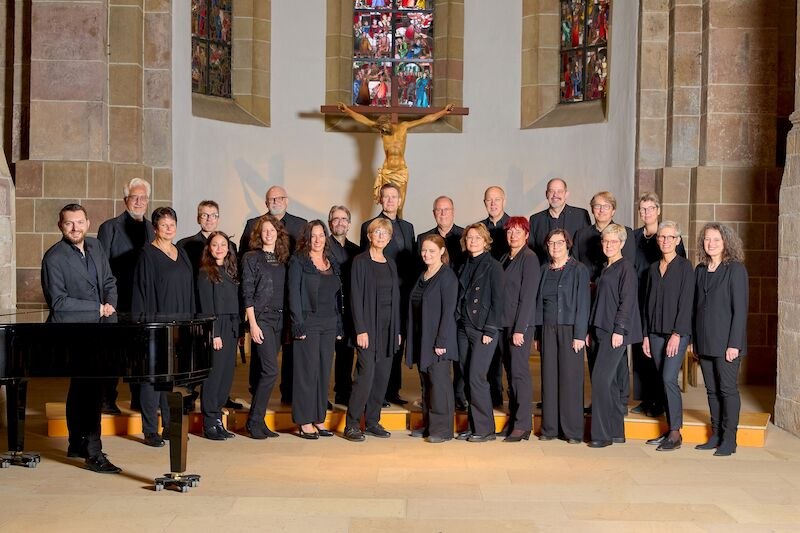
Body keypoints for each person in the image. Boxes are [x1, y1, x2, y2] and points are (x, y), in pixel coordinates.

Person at [41, 204, 121, 473]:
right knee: (90, 391)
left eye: (79, 222)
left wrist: (110, 304)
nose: (75, 228)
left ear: (88, 223)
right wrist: (97, 308)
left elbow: (109, 281)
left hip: (100, 329)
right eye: (69, 223)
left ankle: (76, 443)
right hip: (73, 333)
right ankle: (94, 452)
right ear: (60, 226)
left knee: (82, 388)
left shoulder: (96, 246)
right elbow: (58, 303)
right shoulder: (54, 258)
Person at [131, 207, 195, 448]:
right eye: (164, 224)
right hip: (156, 326)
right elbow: (142, 293)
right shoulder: (147, 254)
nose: (169, 228)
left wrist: (189, 323)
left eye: (172, 224)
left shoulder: (181, 252)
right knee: (152, 380)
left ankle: (169, 426)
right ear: (155, 228)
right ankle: (150, 430)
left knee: (169, 380)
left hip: (179, 325)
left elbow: (189, 290)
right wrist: (146, 327)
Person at [239, 186, 307, 405]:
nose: (275, 201)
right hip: (262, 307)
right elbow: (245, 270)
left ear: (286, 200)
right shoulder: (253, 226)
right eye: (271, 199)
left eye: (279, 198)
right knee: (264, 362)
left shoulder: (300, 225)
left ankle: (288, 393)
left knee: (288, 354)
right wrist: (250, 317)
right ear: (266, 203)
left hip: (286, 304)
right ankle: (256, 396)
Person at [97, 177, 155, 414]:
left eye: (143, 198)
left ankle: (138, 399)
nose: (139, 202)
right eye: (134, 197)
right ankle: (106, 399)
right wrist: (107, 300)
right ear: (125, 200)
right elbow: (101, 268)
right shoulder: (109, 227)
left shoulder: (151, 228)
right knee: (113, 352)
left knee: (140, 352)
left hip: (142, 301)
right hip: (117, 300)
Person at [574, 191, 635, 414]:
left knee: (616, 353)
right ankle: (600, 399)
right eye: (597, 206)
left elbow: (627, 267)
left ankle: (620, 399)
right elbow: (577, 265)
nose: (601, 210)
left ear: (613, 210)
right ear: (592, 209)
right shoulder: (582, 234)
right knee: (594, 351)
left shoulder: (625, 233)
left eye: (606, 206)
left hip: (613, 296)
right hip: (591, 296)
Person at [177, 200, 241, 412]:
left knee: (223, 367)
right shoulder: (186, 245)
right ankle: (195, 400)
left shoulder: (230, 252)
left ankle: (218, 404)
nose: (209, 219)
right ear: (198, 218)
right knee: (203, 364)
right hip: (203, 312)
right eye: (204, 215)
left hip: (226, 315)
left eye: (213, 215)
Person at [343, 218, 402, 442]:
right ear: (369, 236)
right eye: (377, 232)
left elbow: (396, 299)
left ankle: (372, 421)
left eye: (385, 233)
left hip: (388, 328)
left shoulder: (391, 263)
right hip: (367, 327)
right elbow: (355, 297)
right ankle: (351, 424)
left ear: (389, 238)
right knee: (365, 376)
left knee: (382, 376)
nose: (381, 236)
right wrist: (360, 329)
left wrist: (397, 330)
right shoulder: (360, 262)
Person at [692, 222, 748, 457]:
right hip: (704, 341)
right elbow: (696, 309)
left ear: (725, 242)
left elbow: (740, 310)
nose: (711, 243)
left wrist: (734, 344)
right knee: (712, 391)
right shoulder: (700, 270)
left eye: (716, 239)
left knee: (727, 390)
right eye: (707, 239)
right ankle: (715, 435)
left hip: (726, 344)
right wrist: (695, 341)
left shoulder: (735, 269)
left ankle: (729, 439)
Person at [337, 101, 454, 211]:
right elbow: (364, 120)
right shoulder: (382, 129)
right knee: (387, 206)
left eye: (383, 129)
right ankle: (386, 225)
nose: (382, 132)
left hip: (401, 172)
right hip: (387, 172)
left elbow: (426, 119)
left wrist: (443, 112)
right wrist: (347, 110)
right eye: (381, 130)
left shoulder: (403, 127)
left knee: (399, 207)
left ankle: (399, 225)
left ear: (389, 122)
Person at [360, 183, 415, 406]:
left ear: (400, 201)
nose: (391, 201)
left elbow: (412, 261)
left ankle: (392, 390)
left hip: (402, 295)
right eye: (386, 197)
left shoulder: (408, 227)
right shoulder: (369, 226)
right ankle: (376, 393)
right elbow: (366, 263)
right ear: (380, 200)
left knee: (396, 342)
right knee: (377, 345)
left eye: (394, 197)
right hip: (380, 294)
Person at [632, 192, 686, 417]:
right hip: (641, 296)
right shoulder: (635, 236)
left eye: (651, 208)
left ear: (658, 210)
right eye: (643, 209)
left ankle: (660, 401)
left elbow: (680, 274)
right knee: (643, 352)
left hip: (664, 301)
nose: (646, 213)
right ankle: (647, 399)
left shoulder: (668, 236)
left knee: (662, 361)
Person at [587, 224, 642, 448]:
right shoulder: (605, 268)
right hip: (599, 329)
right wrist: (589, 330)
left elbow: (627, 301)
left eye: (613, 241)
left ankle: (602, 435)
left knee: (600, 380)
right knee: (610, 384)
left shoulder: (626, 268)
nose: (608, 245)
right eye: (605, 241)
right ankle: (617, 431)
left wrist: (619, 330)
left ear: (622, 243)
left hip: (613, 332)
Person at [641, 221, 694, 451]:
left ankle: (675, 432)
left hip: (676, 334)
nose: (665, 241)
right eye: (661, 237)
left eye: (670, 237)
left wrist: (677, 334)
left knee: (668, 378)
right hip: (654, 333)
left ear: (677, 240)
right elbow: (646, 304)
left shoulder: (685, 267)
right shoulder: (652, 268)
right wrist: (645, 335)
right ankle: (669, 428)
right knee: (660, 379)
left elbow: (687, 303)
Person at [288, 221, 343, 440]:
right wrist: (297, 323)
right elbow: (293, 294)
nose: (318, 240)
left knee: (323, 371)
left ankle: (319, 417)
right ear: (307, 239)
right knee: (306, 372)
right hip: (308, 322)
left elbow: (337, 297)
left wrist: (338, 324)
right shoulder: (298, 261)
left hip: (329, 323)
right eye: (313, 236)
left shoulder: (332, 261)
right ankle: (304, 421)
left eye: (321, 235)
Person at [535, 228, 590, 444]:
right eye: (551, 243)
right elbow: (538, 304)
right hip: (547, 329)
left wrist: (580, 334)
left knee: (570, 379)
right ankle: (550, 428)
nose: (555, 247)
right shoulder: (543, 270)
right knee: (549, 378)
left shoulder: (579, 269)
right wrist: (538, 334)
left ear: (567, 244)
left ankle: (572, 431)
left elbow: (583, 303)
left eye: (559, 242)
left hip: (570, 330)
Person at [241, 214, 290, 439]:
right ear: (259, 234)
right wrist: (252, 324)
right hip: (262, 319)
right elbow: (247, 292)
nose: (269, 233)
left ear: (278, 233)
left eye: (273, 230)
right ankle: (253, 421)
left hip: (280, 320)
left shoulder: (283, 259)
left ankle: (259, 421)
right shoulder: (251, 257)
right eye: (265, 230)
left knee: (266, 371)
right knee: (270, 371)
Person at [406, 234, 458, 443]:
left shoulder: (447, 276)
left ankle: (442, 429)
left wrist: (441, 341)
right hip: (423, 338)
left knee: (439, 385)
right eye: (424, 250)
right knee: (426, 384)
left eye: (431, 251)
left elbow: (448, 312)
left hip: (438, 341)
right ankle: (429, 425)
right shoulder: (424, 274)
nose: (426, 254)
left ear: (442, 251)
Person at [456, 223, 505, 442]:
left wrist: (490, 329)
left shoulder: (493, 266)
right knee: (467, 377)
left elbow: (498, 300)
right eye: (469, 237)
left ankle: (485, 429)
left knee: (476, 377)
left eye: (477, 237)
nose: (473, 241)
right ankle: (473, 425)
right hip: (463, 327)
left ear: (486, 241)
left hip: (483, 329)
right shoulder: (464, 264)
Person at [417, 195, 466, 409]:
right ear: (433, 213)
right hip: (434, 304)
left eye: (446, 209)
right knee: (431, 359)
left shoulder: (464, 236)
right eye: (438, 210)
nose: (443, 213)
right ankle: (430, 399)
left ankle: (458, 397)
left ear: (453, 212)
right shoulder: (424, 238)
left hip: (459, 304)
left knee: (456, 355)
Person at [498, 217, 540, 442]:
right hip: (504, 323)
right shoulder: (505, 257)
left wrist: (520, 329)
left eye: (518, 231)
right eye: (510, 231)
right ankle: (514, 420)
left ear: (526, 235)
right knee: (511, 373)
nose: (513, 235)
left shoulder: (529, 258)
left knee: (519, 373)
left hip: (519, 326)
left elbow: (528, 297)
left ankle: (523, 424)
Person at [196, 231, 241, 441]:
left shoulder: (232, 271)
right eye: (215, 245)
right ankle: (209, 423)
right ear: (209, 248)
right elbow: (206, 307)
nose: (219, 248)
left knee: (226, 376)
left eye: (223, 244)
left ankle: (217, 419)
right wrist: (214, 333)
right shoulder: (205, 272)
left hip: (231, 327)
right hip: (216, 328)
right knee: (214, 377)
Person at [478, 186, 510, 407]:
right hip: (486, 298)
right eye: (489, 200)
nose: (493, 203)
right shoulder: (480, 228)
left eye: (497, 199)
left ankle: (509, 398)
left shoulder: (513, 226)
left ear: (504, 201)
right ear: (484, 203)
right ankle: (492, 397)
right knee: (489, 353)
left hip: (507, 298)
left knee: (507, 354)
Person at [327, 205, 360, 406]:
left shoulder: (356, 250)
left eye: (344, 219)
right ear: (330, 223)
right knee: (324, 355)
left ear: (349, 224)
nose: (340, 223)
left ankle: (343, 392)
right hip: (328, 308)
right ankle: (320, 396)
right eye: (336, 219)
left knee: (346, 353)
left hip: (348, 308)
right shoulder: (323, 247)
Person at [528, 178, 591, 265]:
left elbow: (587, 249)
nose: (555, 195)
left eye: (559, 191)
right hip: (544, 271)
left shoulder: (581, 215)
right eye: (551, 191)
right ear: (546, 194)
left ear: (566, 194)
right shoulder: (535, 220)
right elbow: (532, 252)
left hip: (575, 271)